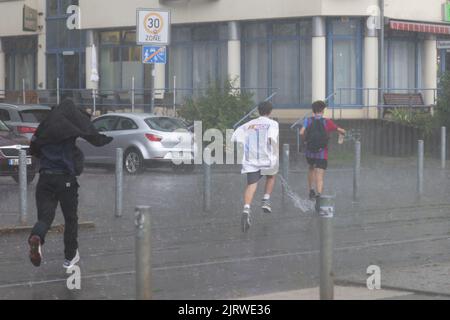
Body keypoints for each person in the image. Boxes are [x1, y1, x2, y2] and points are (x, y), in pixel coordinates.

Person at [28, 98, 113, 268]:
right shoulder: (69, 125)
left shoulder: (46, 125)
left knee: (45, 217)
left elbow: (33, 148)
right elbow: (90, 134)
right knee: (70, 219)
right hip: (65, 179)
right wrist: (103, 139)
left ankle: (36, 236)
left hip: (45, 178)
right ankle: (70, 257)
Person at [232, 101, 279, 232]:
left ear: (258, 111)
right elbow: (271, 138)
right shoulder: (272, 124)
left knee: (251, 184)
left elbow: (235, 137)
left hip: (251, 159)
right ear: (270, 112)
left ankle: (246, 209)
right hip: (266, 158)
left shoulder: (248, 124)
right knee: (271, 176)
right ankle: (266, 200)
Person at [300, 100, 345, 211]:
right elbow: (340, 130)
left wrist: (305, 141)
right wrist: (342, 133)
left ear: (313, 110)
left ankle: (311, 190)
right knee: (319, 174)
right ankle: (319, 195)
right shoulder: (327, 122)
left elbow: (301, 132)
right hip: (322, 152)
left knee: (311, 168)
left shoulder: (308, 120)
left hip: (310, 151)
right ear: (323, 111)